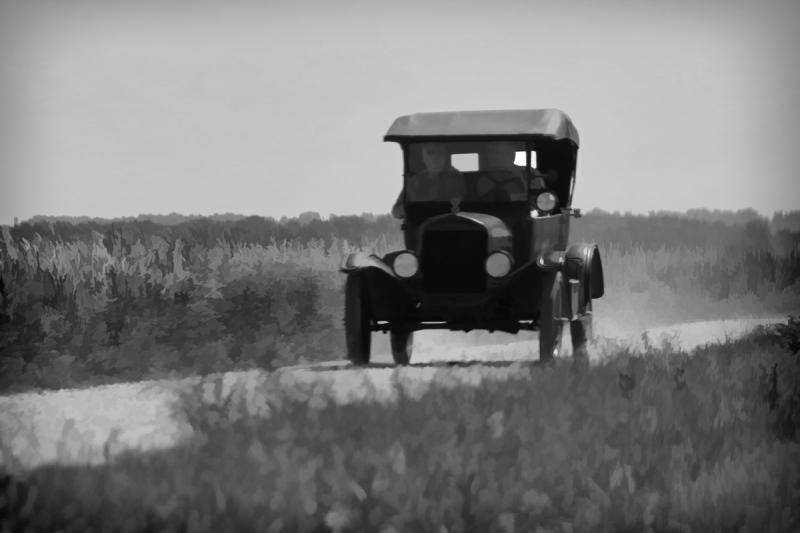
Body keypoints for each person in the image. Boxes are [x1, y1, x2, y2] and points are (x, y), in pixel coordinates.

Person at [391, 143, 465, 219]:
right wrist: (411, 208)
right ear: (423, 156)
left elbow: (456, 203)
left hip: (447, 222)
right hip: (419, 223)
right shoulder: (415, 181)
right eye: (430, 153)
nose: (435, 157)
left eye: (440, 153)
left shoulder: (454, 176)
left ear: (445, 155)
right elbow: (396, 212)